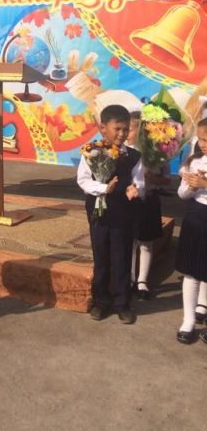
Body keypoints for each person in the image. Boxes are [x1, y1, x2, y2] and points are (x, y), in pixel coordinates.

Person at [77, 104, 144, 324]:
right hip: (99, 213)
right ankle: (101, 301)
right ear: (103, 128)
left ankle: (122, 303)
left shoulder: (133, 156)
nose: (122, 134)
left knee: (122, 257)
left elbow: (139, 180)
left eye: (126, 129)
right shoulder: (91, 152)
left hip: (123, 214)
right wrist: (104, 188)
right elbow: (83, 180)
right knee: (101, 257)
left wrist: (135, 188)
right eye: (117, 129)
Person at [127, 111, 167, 300]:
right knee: (129, 242)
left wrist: (153, 178)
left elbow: (166, 179)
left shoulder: (155, 153)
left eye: (131, 129)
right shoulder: (121, 151)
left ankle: (142, 281)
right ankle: (129, 278)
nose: (126, 133)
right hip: (129, 201)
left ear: (142, 131)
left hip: (149, 200)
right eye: (125, 128)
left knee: (146, 242)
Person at [175, 118, 207, 344]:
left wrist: (204, 184)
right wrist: (191, 186)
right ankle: (188, 320)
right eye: (201, 139)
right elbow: (182, 194)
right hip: (196, 217)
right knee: (191, 271)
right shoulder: (194, 162)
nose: (203, 144)